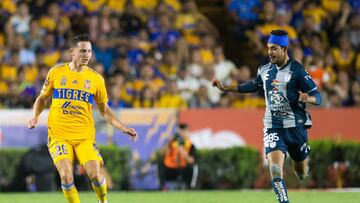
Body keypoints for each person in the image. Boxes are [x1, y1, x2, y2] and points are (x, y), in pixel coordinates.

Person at [212, 30, 321, 203]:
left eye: (274, 48)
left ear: (284, 49)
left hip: (296, 127)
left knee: (301, 173)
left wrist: (309, 98)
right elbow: (252, 86)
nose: (270, 52)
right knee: (275, 169)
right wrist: (226, 88)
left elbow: (318, 96)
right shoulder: (264, 70)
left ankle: (303, 155)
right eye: (268, 48)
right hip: (273, 125)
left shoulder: (298, 70)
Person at [28, 34, 139, 203]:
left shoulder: (96, 79)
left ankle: (103, 201)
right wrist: (35, 116)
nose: (87, 55)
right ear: (72, 52)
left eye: (89, 51)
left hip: (84, 137)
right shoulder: (56, 72)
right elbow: (42, 98)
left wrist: (124, 127)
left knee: (95, 174)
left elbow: (105, 111)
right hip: (59, 135)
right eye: (82, 51)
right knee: (66, 176)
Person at [161, 123, 197, 190]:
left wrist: (182, 150)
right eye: (180, 132)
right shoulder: (172, 143)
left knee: (193, 167)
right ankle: (163, 187)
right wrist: (169, 141)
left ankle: (190, 188)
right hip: (171, 168)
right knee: (160, 165)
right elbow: (163, 153)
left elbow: (191, 160)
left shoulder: (190, 145)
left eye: (184, 132)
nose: (182, 134)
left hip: (183, 168)